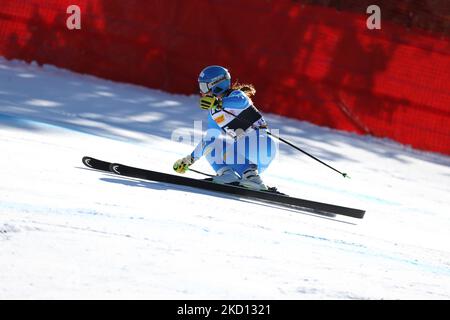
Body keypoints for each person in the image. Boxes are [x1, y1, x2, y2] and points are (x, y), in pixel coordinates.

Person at [173, 65, 277, 191]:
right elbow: (210, 137)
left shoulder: (237, 95)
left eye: (204, 87)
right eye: (200, 87)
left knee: (230, 149)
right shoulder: (214, 112)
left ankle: (253, 179)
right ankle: (228, 175)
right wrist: (189, 160)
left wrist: (219, 103)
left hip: (262, 143)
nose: (202, 92)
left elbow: (241, 102)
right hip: (247, 153)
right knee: (210, 144)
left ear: (217, 84)